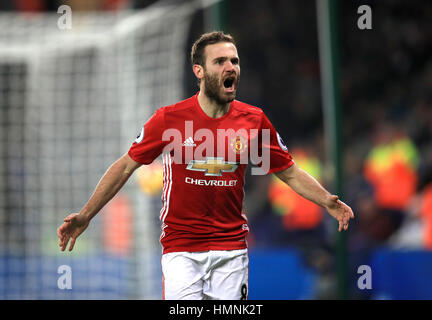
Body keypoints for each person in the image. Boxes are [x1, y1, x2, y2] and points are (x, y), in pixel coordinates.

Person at [57, 31, 354, 300]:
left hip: (231, 250)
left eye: (234, 61)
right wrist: (85, 215)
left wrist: (325, 200)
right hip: (181, 251)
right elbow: (124, 167)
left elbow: (287, 171)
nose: (231, 68)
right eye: (220, 61)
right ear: (199, 71)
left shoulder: (253, 121)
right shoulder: (169, 120)